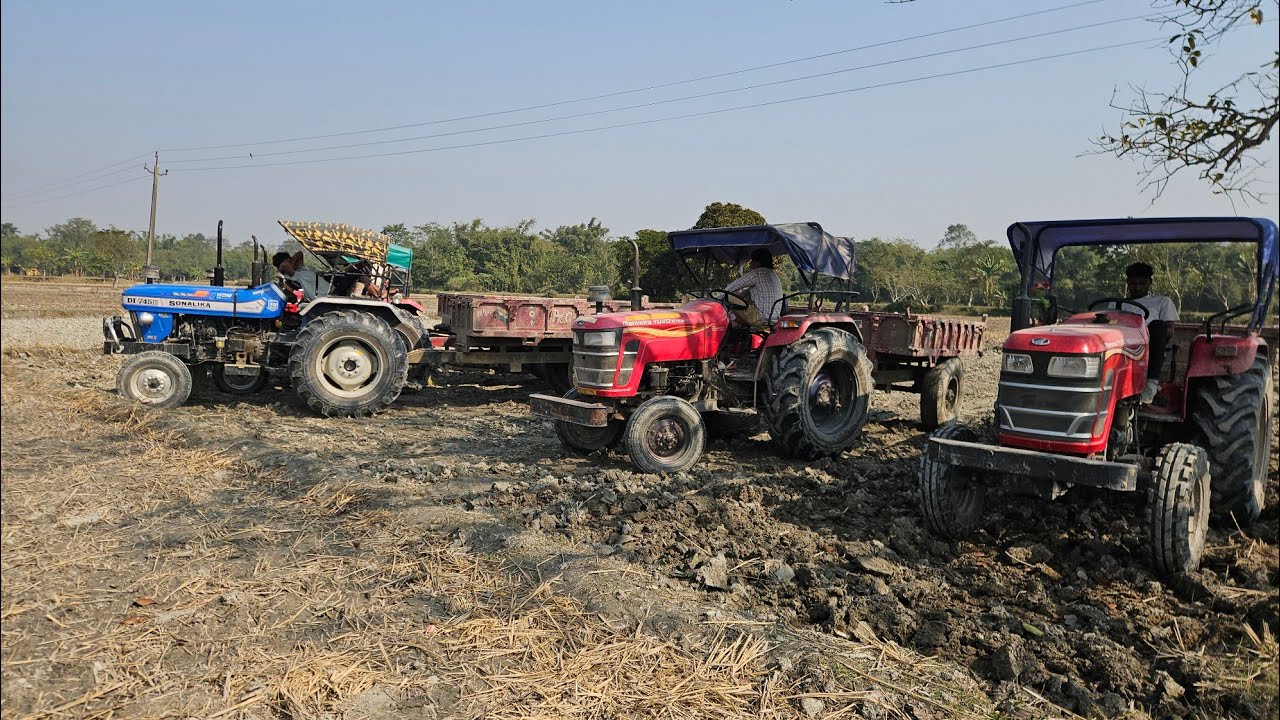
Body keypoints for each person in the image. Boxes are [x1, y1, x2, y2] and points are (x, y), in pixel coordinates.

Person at [1118, 261, 1179, 404]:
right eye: (1133, 283)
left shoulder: (1162, 301)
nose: (1137, 287)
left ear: (1149, 283)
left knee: (1158, 326)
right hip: (1121, 343)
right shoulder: (1116, 303)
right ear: (1128, 283)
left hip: (1148, 345)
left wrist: (1146, 332)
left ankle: (1151, 384)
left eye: (1142, 283)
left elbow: (1169, 330)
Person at [725, 248, 784, 330]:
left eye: (751, 261)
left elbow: (732, 287)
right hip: (773, 319)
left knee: (728, 302)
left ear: (757, 263)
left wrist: (716, 297)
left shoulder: (757, 273)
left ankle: (733, 327)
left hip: (760, 318)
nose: (750, 264)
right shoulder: (774, 275)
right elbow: (746, 292)